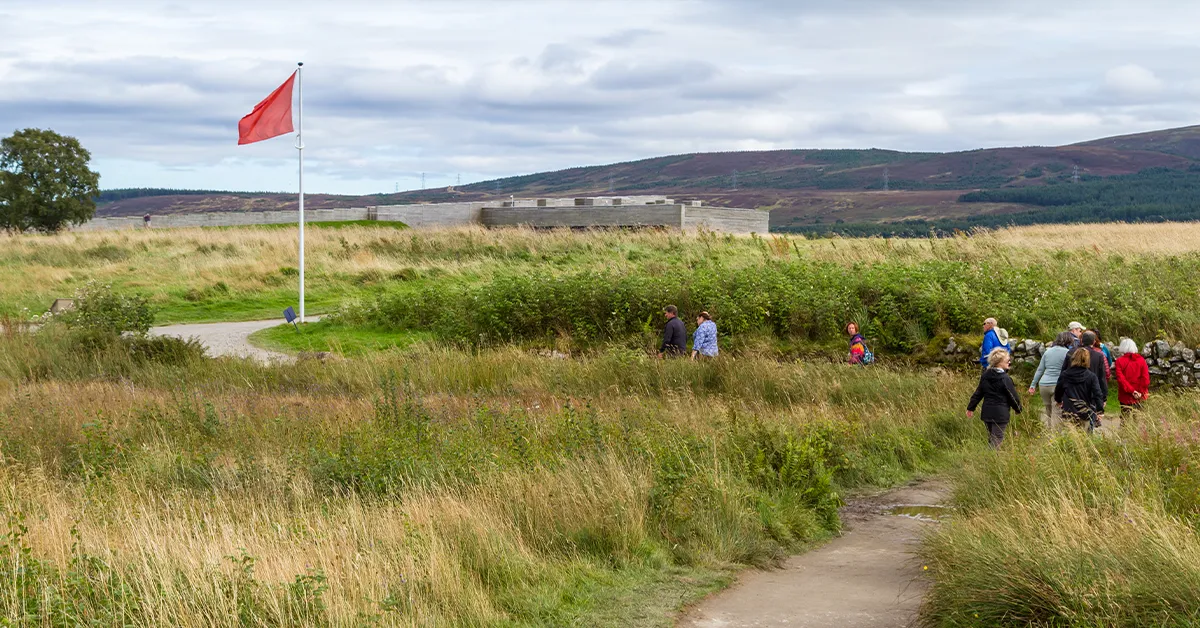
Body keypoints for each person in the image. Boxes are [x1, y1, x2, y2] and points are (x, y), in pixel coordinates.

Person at [968, 347, 1023, 448]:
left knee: (991, 438)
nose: (1009, 362)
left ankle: (990, 459)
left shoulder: (985, 375)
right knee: (997, 439)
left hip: (987, 412)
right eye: (1007, 360)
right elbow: (1012, 396)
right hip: (1000, 414)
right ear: (999, 362)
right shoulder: (1005, 378)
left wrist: (971, 407)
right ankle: (991, 460)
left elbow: (978, 393)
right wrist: (1018, 408)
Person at [1028, 332, 1073, 430]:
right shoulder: (1067, 353)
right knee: (1057, 412)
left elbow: (1040, 369)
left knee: (1048, 411)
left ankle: (1049, 432)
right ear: (1068, 341)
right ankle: (1056, 437)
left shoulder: (1048, 352)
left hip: (1044, 385)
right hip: (1057, 385)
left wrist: (1032, 385)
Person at [1061, 331, 1109, 423]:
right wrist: (1103, 397)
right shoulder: (1098, 356)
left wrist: (1060, 394)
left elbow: (1063, 371)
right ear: (1094, 341)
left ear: (1081, 340)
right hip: (1090, 393)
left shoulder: (1071, 352)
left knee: (1071, 421)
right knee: (1088, 420)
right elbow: (1102, 377)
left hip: (1071, 391)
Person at [1055, 348, 1106, 433]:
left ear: (1074, 358)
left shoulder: (1065, 374)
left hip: (1069, 411)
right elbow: (1097, 394)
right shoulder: (1091, 376)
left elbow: (1058, 390)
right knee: (1085, 438)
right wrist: (1100, 410)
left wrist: (1059, 400)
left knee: (1069, 437)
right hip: (1085, 412)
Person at [1114, 338, 1150, 418]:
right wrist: (1140, 392)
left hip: (1125, 396)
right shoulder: (1141, 360)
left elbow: (1121, 379)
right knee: (1139, 421)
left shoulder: (1119, 361)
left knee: (1125, 420)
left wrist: (1132, 391)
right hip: (1141, 396)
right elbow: (1145, 379)